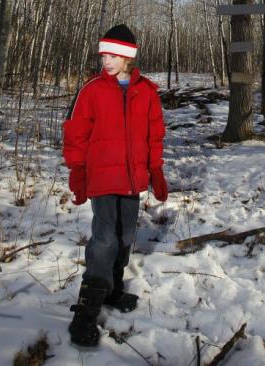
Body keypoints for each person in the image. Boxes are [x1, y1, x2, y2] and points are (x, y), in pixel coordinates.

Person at [63, 24, 168, 348]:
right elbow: (75, 133)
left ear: (128, 58)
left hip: (132, 180)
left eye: (112, 55)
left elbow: (154, 134)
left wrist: (156, 170)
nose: (105, 60)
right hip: (102, 179)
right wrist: (78, 170)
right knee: (105, 238)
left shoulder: (147, 91)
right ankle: (86, 309)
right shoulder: (92, 90)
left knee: (125, 235)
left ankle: (112, 289)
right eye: (103, 54)